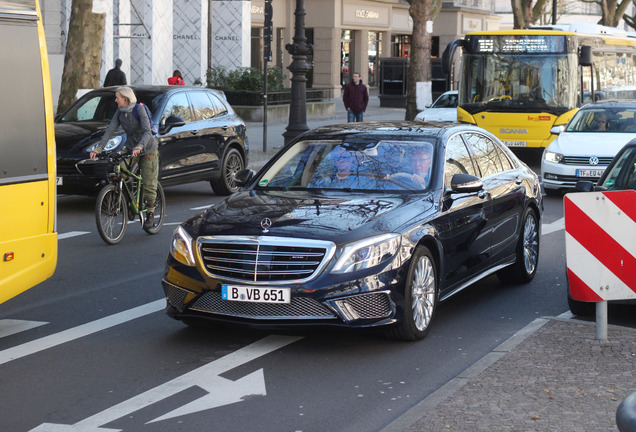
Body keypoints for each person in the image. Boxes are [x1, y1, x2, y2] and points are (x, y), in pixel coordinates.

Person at [90, 87, 159, 229]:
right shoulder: (120, 112)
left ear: (126, 99)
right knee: (118, 168)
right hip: (130, 148)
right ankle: (130, 201)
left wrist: (139, 147)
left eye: (117, 98)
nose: (115, 100)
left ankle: (151, 214)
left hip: (147, 150)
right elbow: (110, 129)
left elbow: (148, 132)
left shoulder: (139, 110)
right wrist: (99, 148)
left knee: (149, 183)